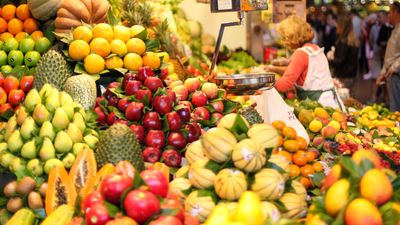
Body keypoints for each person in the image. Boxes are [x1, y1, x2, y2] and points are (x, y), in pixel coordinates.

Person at [265, 15, 343, 110]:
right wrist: (273, 69)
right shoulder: (314, 48)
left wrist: (264, 82)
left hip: (320, 106)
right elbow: (298, 72)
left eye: (285, 38)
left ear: (293, 36)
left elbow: (285, 84)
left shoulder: (301, 53)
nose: (284, 42)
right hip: (329, 102)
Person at [327, 13, 359, 94]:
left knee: (344, 100)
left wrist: (327, 59)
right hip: (351, 75)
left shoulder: (343, 41)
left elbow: (340, 61)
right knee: (349, 99)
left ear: (341, 26)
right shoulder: (353, 40)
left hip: (343, 75)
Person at [376, 2, 400, 111]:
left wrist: (394, 67)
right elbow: (390, 55)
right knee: (394, 107)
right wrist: (382, 72)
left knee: (396, 110)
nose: (389, 15)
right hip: (391, 74)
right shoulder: (395, 30)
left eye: (390, 12)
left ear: (396, 13)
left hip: (396, 75)